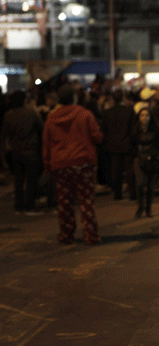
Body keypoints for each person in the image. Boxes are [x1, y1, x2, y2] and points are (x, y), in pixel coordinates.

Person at [42, 85, 104, 245]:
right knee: (86, 201)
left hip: (60, 164)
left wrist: (48, 165)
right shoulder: (84, 114)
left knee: (64, 202)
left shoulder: (51, 118)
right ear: (74, 97)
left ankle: (66, 234)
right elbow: (97, 137)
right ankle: (90, 235)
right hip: (83, 162)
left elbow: (46, 144)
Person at [0, 91, 44, 215]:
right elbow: (42, 128)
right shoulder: (31, 114)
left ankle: (19, 207)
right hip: (30, 150)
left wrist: (3, 159)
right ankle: (30, 206)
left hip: (15, 152)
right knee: (31, 180)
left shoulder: (8, 116)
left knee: (18, 181)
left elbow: (3, 136)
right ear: (24, 100)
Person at [100, 89, 136, 200]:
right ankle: (132, 193)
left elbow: (104, 130)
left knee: (116, 171)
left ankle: (117, 194)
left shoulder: (107, 113)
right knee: (129, 170)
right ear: (123, 98)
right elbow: (133, 129)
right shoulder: (129, 111)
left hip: (113, 145)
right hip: (126, 144)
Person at [132, 108, 159, 218]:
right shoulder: (135, 130)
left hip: (153, 159)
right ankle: (140, 207)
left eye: (147, 115)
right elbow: (132, 144)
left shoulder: (155, 130)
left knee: (150, 186)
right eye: (142, 115)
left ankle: (148, 209)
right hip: (139, 159)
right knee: (140, 184)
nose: (144, 118)